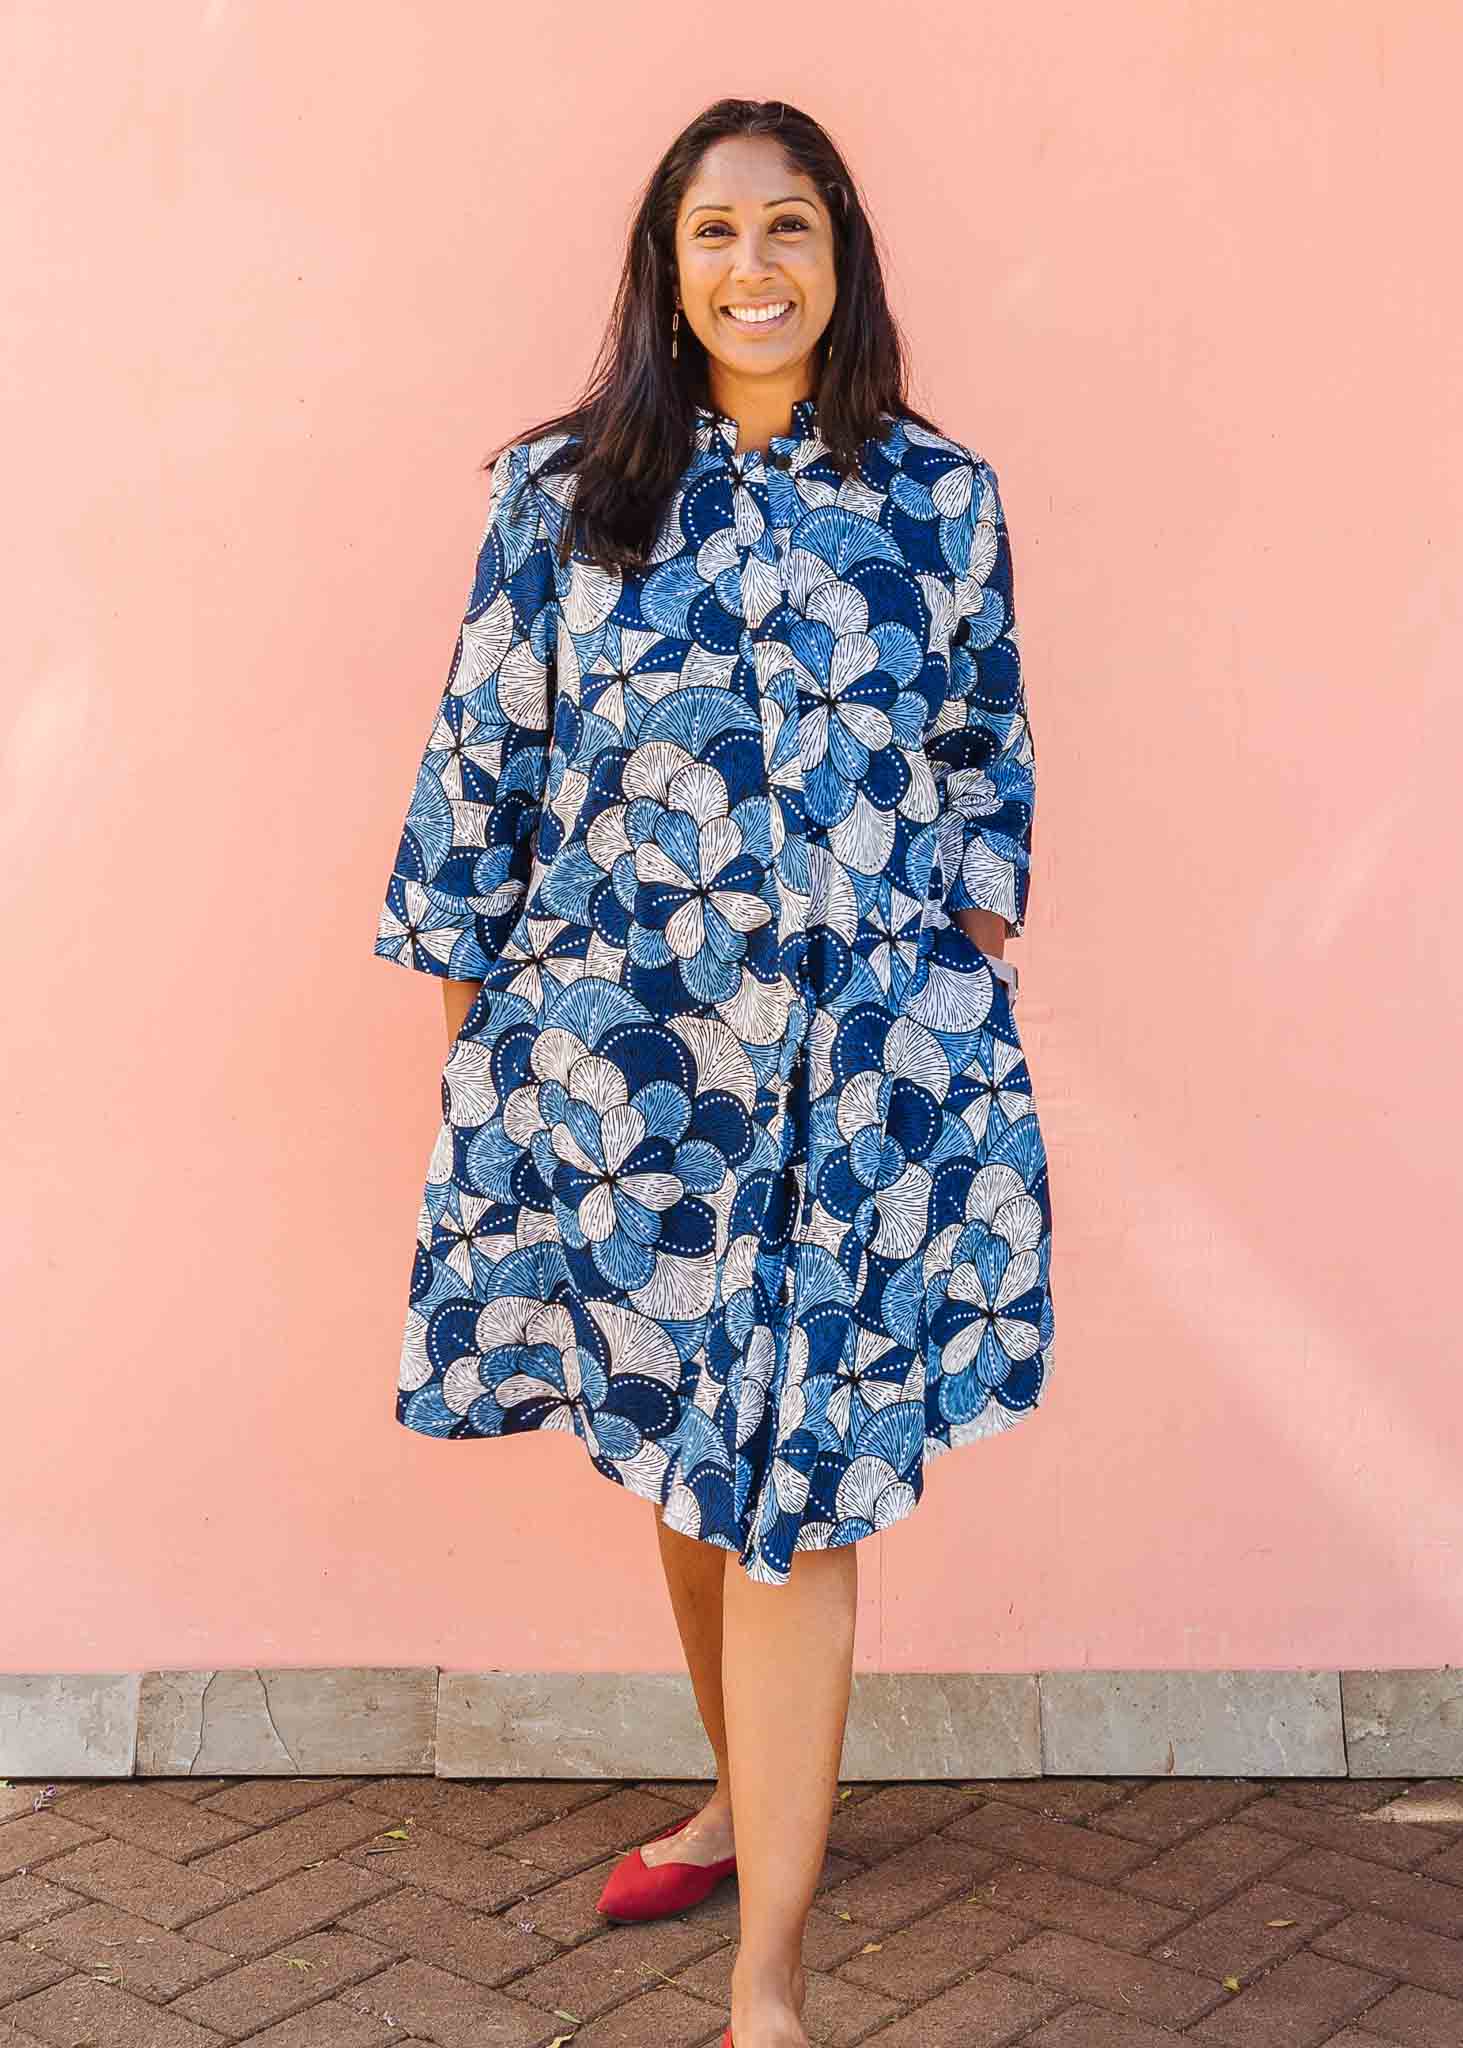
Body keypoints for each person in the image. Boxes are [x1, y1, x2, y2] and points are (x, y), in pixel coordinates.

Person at [373, 95, 1053, 2048]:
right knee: (687, 1468)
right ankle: (746, 1803)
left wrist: (960, 947)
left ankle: (770, 1986)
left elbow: (983, 747)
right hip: (633, 1079)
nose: (755, 267)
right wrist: (481, 1059)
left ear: (841, 257)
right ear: (668, 274)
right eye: (716, 233)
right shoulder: (565, 495)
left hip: (859, 1085)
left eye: (790, 227)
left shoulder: (940, 498)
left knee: (799, 1500)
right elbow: (483, 764)